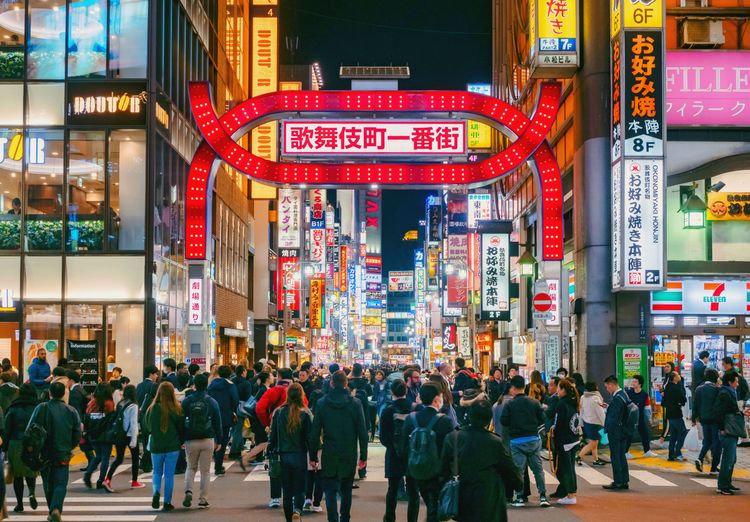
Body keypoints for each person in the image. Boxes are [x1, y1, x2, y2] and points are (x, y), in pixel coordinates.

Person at [441, 399, 522, 521]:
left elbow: (444, 469)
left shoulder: (454, 437)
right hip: (489, 499)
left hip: (462, 497)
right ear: (489, 418)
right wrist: (517, 484)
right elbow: (509, 469)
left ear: (469, 415)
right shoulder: (495, 442)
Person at [309, 370, 368, 522]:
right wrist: (363, 456)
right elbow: (362, 432)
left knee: (330, 490)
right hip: (349, 452)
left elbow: (315, 431)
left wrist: (313, 455)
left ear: (331, 383)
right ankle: (345, 518)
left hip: (330, 451)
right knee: (346, 489)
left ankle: (332, 518)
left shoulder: (322, 403)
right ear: (346, 384)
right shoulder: (355, 404)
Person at [402, 382, 457, 522]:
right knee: (434, 507)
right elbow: (450, 450)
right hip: (436, 471)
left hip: (414, 469)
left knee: (415, 501)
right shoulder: (445, 421)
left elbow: (403, 446)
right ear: (436, 399)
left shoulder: (411, 419)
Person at [28, 381, 81, 522]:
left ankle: (52, 510)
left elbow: (30, 429)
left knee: (48, 482)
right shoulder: (71, 411)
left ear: (50, 393)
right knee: (60, 483)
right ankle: (56, 509)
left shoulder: (41, 408)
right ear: (63, 394)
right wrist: (70, 446)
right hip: (63, 451)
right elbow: (77, 433)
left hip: (44, 451)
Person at [256, 368, 303, 508]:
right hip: (296, 430)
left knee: (275, 462)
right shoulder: (298, 390)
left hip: (275, 427)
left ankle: (275, 497)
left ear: (279, 376)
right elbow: (304, 407)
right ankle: (295, 496)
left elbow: (259, 408)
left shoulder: (272, 391)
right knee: (296, 466)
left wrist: (267, 424)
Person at [499, 375, 548, 507]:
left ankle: (520, 496)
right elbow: (542, 418)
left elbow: (504, 421)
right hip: (533, 439)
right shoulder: (534, 402)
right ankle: (543, 496)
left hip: (517, 441)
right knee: (538, 470)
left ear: (513, 388)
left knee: (519, 470)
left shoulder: (510, 404)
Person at [269, 383, 312, 522]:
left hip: (283, 455)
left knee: (287, 491)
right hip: (299, 454)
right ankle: (297, 510)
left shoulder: (279, 412)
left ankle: (289, 518)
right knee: (300, 488)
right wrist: (313, 457)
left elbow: (273, 437)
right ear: (301, 395)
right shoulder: (306, 413)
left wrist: (270, 451)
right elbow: (310, 438)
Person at [181, 373, 222, 509]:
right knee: (205, 471)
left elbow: (181, 421)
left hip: (191, 439)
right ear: (207, 385)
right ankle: (203, 499)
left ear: (194, 385)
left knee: (191, 467)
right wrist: (219, 440)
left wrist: (182, 438)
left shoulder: (187, 401)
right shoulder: (212, 401)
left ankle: (188, 491)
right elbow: (217, 422)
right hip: (207, 438)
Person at [380, 379, 418, 522]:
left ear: (392, 392)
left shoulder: (388, 410)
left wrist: (394, 446)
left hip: (393, 454)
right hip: (412, 453)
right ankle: (412, 519)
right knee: (413, 490)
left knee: (393, 488)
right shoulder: (415, 408)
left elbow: (383, 437)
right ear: (406, 391)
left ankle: (390, 517)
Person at [144, 382, 184, 512]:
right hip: (172, 446)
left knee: (156, 472)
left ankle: (156, 492)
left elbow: (146, 426)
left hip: (156, 445)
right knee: (169, 475)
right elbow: (181, 428)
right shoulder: (176, 408)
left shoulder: (152, 408)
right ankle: (167, 502)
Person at [713, 370, 750, 495]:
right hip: (727, 431)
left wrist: (739, 412)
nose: (738, 384)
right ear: (730, 382)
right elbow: (719, 412)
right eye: (736, 382)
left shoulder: (729, 392)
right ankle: (723, 485)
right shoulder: (725, 393)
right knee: (728, 459)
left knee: (732, 459)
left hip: (730, 430)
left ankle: (727, 483)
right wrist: (722, 428)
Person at [4, 384, 39, 513]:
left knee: (17, 475)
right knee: (31, 472)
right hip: (33, 444)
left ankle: (19, 504)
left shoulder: (13, 408)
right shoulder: (37, 407)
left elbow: (7, 429)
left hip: (15, 442)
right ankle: (31, 492)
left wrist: (5, 447)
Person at [551, 379, 581, 505]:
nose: (557, 391)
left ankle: (571, 495)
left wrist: (553, 432)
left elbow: (558, 423)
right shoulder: (574, 402)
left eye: (558, 388)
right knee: (571, 468)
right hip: (574, 438)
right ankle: (571, 493)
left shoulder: (561, 404)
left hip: (564, 440)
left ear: (563, 389)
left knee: (565, 468)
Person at [82, 383, 116, 490]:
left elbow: (86, 417)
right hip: (106, 435)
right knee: (105, 458)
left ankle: (88, 474)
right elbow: (111, 419)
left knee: (98, 456)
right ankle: (100, 480)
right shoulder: (109, 403)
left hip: (93, 434)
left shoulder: (91, 403)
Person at [206, 365, 239, 475]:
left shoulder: (211, 385)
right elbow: (235, 401)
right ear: (229, 374)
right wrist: (232, 411)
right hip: (225, 416)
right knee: (223, 440)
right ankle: (218, 466)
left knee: (213, 438)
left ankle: (214, 459)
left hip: (211, 415)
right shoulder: (230, 386)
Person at [603, 375, 630, 490]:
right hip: (623, 430)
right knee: (621, 455)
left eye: (607, 387)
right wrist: (609, 407)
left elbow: (614, 417)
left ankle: (618, 481)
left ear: (612, 385)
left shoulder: (617, 398)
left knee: (615, 456)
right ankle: (624, 480)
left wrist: (608, 429)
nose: (607, 389)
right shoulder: (623, 395)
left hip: (616, 431)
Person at [693, 368, 722, 473]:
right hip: (715, 420)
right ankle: (714, 467)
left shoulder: (698, 389)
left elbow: (695, 405)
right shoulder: (717, 389)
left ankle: (700, 458)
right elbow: (719, 406)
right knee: (717, 443)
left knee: (707, 441)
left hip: (703, 419)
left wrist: (694, 419)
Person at [624, 375, 656, 458]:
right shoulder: (629, 393)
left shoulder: (644, 394)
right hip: (630, 418)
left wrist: (649, 418)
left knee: (645, 433)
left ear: (640, 384)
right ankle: (625, 452)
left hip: (641, 417)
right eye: (633, 381)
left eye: (635, 382)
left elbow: (647, 407)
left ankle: (647, 451)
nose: (633, 383)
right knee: (629, 434)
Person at [136, 365, 160, 473]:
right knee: (152, 439)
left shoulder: (139, 386)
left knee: (145, 439)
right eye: (155, 374)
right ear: (151, 374)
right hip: (151, 416)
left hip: (142, 416)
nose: (157, 376)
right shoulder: (154, 386)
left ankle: (146, 462)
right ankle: (147, 462)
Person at [578, 382, 606, 466]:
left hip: (587, 422)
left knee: (594, 442)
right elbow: (600, 413)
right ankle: (579, 456)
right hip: (596, 423)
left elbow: (581, 410)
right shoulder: (595, 398)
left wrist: (581, 422)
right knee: (593, 443)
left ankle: (596, 459)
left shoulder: (583, 397)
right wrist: (605, 423)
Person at [663, 371, 688, 461]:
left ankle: (671, 455)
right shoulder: (676, 388)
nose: (679, 376)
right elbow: (683, 398)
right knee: (683, 432)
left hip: (670, 413)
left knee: (674, 434)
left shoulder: (667, 387)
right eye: (677, 375)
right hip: (676, 413)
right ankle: (677, 452)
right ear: (674, 378)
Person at [229, 365, 252, 459]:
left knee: (235, 429)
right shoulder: (246, 383)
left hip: (232, 407)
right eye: (245, 371)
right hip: (242, 408)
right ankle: (234, 451)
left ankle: (238, 448)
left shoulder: (232, 381)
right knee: (238, 430)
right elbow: (248, 397)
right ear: (243, 372)